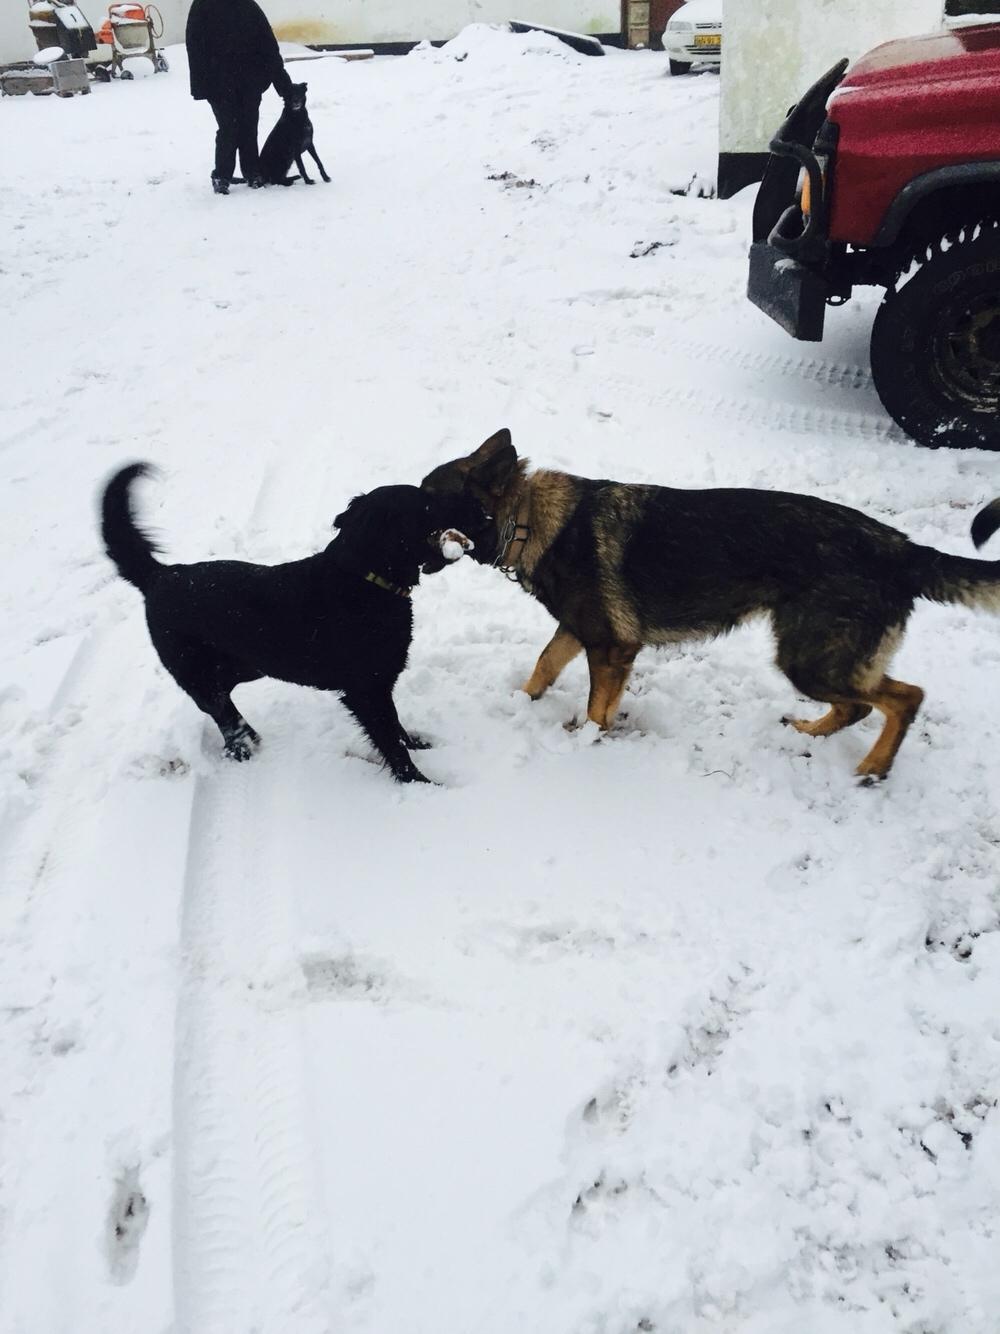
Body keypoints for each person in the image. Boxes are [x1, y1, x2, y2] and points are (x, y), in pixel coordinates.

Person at [186, 0, 293, 194]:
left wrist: (283, 83)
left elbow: (268, 45)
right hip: (218, 82)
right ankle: (222, 175)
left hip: (249, 81)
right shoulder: (203, 6)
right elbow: (194, 46)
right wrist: (201, 85)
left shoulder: (248, 6)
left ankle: (252, 172)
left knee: (249, 126)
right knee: (228, 128)